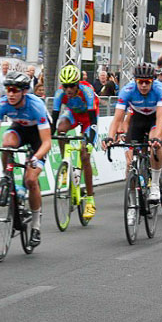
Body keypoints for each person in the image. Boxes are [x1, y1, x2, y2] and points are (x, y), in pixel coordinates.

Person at [0, 72, 51, 247]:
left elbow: (47, 142)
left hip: (38, 136)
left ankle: (36, 227)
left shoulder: (36, 105)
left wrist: (36, 157)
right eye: (8, 89)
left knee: (31, 179)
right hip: (20, 130)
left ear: (24, 92)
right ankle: (7, 179)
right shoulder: (1, 104)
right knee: (5, 143)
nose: (11, 94)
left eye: (15, 90)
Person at [102, 63, 162, 206]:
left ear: (153, 81)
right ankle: (132, 204)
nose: (143, 85)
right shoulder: (127, 91)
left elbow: (160, 118)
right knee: (130, 163)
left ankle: (155, 185)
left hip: (153, 120)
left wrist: (157, 137)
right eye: (140, 82)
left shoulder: (160, 89)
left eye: (147, 82)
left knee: (155, 144)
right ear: (135, 81)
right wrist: (109, 137)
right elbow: (117, 119)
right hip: (137, 120)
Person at [51, 64, 100, 219]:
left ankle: (91, 200)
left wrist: (90, 141)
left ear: (77, 84)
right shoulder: (60, 93)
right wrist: (48, 137)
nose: (69, 90)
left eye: (72, 86)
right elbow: (54, 119)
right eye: (65, 86)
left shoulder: (87, 91)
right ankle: (65, 164)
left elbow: (93, 121)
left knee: (85, 156)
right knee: (61, 129)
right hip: (73, 114)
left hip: (88, 119)